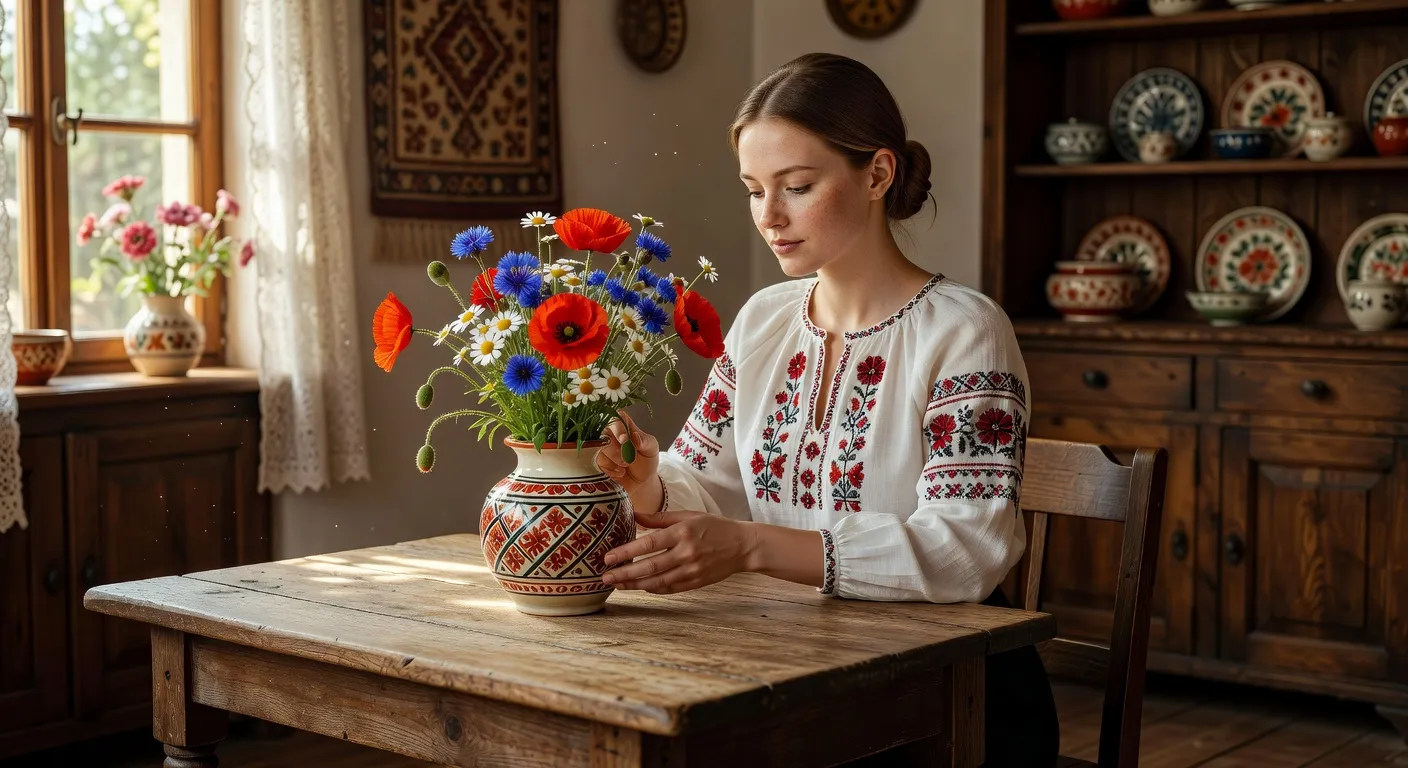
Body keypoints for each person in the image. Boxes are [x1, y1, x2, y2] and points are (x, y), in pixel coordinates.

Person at [597, 52, 1059, 767]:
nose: (769, 216)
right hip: (787, 672)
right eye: (754, 190)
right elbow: (707, 482)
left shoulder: (965, 332)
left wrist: (751, 546)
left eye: (797, 186)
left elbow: (967, 549)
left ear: (877, 174)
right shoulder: (763, 322)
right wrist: (649, 483)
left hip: (947, 701)